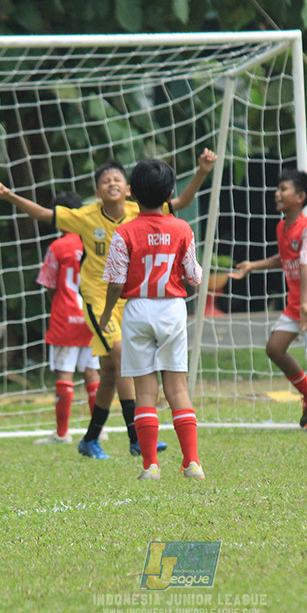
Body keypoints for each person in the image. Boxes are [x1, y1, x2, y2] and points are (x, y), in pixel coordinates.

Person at [0, 149, 216, 459]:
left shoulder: (141, 211)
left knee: (110, 372)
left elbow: (182, 202)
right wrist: (10, 196)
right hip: (100, 300)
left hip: (134, 301)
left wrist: (202, 172)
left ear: (128, 189)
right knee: (122, 355)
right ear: (97, 192)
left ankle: (90, 439)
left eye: (117, 178)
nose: (111, 182)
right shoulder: (85, 216)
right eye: (105, 179)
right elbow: (44, 213)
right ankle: (136, 436)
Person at [100, 158, 205, 480]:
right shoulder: (182, 228)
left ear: (132, 194)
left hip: (137, 311)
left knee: (145, 391)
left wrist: (105, 316)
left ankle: (150, 466)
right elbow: (194, 278)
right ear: (170, 193)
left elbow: (116, 282)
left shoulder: (123, 232)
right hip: (171, 308)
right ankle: (191, 463)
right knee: (177, 388)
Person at [228, 169, 307, 432]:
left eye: (283, 189)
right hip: (298, 300)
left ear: (300, 197)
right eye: (278, 189)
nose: (277, 193)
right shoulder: (283, 226)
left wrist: (304, 304)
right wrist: (252, 266)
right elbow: (286, 258)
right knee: (274, 348)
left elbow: (306, 266)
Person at [34, 191, 101, 445]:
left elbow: (50, 284)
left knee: (65, 375)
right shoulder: (93, 242)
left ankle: (62, 433)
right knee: (92, 374)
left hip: (66, 318)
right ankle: (99, 429)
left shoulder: (57, 246)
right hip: (93, 318)